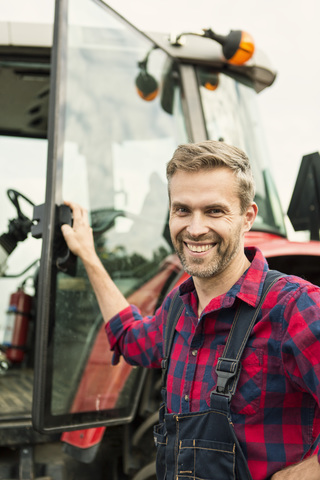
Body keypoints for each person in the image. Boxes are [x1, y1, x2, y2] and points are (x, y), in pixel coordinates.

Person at [62, 140, 320, 480]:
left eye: (214, 211)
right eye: (182, 210)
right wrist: (89, 256)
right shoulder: (177, 310)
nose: (195, 228)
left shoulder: (295, 308)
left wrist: (309, 470)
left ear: (247, 218)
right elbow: (129, 338)